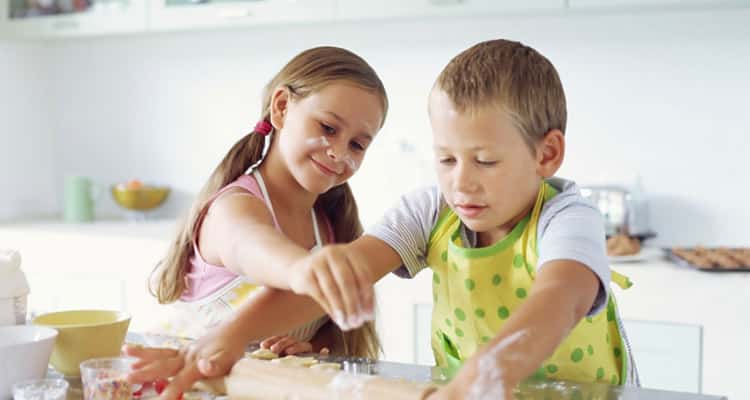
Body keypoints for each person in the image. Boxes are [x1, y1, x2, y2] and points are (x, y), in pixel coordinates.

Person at [127, 39, 639, 399]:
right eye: (445, 159)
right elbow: (334, 278)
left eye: (484, 161)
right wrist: (227, 340)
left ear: (546, 155)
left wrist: (485, 376)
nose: (461, 183)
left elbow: (561, 298)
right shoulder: (429, 211)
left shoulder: (568, 216)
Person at [142, 45, 388, 364]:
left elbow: (331, 333)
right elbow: (251, 246)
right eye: (328, 128)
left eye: (357, 144)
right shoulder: (235, 208)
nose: (340, 153)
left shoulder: (328, 224)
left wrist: (312, 346)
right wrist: (301, 270)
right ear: (282, 107)